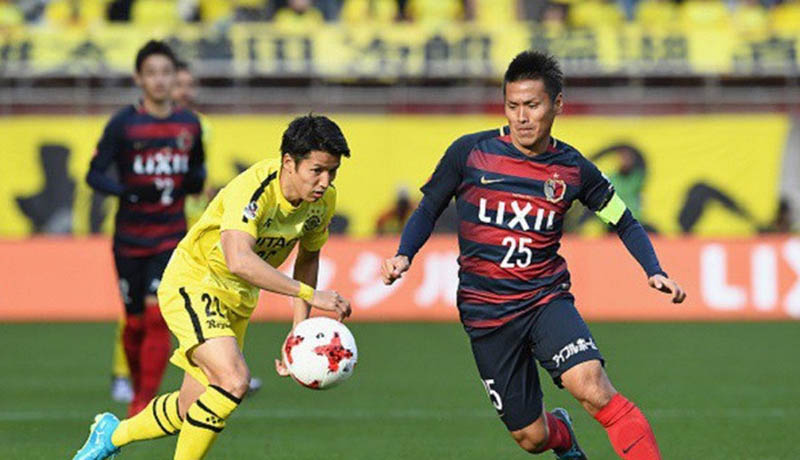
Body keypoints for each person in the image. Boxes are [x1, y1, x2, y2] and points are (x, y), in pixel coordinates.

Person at [381, 50, 686, 460]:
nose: (521, 117)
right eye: (513, 106)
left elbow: (624, 220)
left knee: (593, 386)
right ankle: (563, 435)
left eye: (532, 105)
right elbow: (428, 208)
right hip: (485, 314)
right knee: (533, 438)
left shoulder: (573, 169)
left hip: (544, 300)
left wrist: (653, 269)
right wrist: (404, 255)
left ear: (557, 105)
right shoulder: (469, 153)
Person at [73, 114, 353, 460]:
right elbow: (238, 259)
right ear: (289, 163)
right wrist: (312, 295)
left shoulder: (322, 202)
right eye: (317, 171)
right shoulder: (254, 190)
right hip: (195, 282)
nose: (325, 182)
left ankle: (111, 433)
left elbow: (308, 259)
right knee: (234, 380)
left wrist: (299, 336)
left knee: (190, 405)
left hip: (236, 300)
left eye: (332, 172)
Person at [86, 40, 206, 416]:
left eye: (166, 73)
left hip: (170, 235)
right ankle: (138, 386)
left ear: (175, 78)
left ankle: (143, 403)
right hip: (129, 239)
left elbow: (197, 170)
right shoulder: (124, 123)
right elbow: (94, 174)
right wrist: (128, 192)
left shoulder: (189, 124)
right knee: (134, 322)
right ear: (139, 78)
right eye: (151, 73)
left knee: (157, 315)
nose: (159, 80)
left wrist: (190, 183)